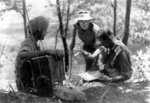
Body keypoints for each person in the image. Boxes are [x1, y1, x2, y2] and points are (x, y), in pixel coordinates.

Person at [15, 16, 64, 91]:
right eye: (45, 30)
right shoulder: (28, 42)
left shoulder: (34, 43)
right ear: (40, 30)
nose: (46, 32)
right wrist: (47, 51)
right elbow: (22, 55)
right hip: (26, 87)